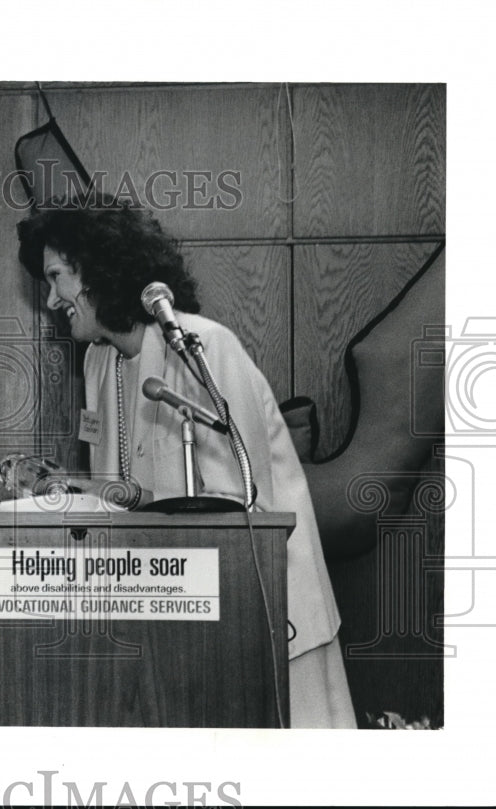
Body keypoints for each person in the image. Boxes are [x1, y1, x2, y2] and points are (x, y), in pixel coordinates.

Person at [17, 198, 356, 728]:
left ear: (100, 268)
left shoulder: (204, 347)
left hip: (267, 614)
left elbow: (238, 507)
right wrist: (72, 485)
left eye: (57, 276)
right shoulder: (99, 361)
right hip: (178, 613)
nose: (52, 298)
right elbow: (133, 490)